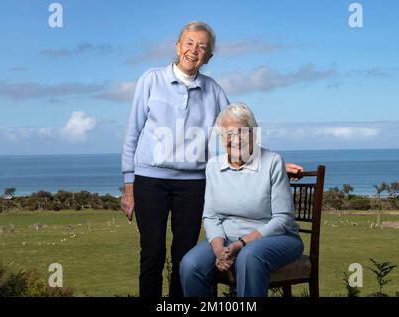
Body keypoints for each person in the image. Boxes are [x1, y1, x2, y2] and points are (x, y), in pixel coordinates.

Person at [121, 22, 303, 297]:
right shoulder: (151, 79)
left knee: (184, 257)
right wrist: (129, 185)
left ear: (209, 57)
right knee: (152, 254)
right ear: (177, 46)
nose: (194, 50)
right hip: (150, 180)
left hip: (194, 184)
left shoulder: (214, 90)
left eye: (202, 47)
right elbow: (132, 131)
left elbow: (239, 128)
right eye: (189, 43)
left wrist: (268, 160)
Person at [180, 103, 304, 297]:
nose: (236, 139)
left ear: (254, 134)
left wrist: (240, 245)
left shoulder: (273, 162)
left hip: (277, 237)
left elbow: (282, 220)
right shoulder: (213, 166)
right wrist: (220, 249)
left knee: (249, 257)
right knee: (190, 264)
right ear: (221, 138)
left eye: (242, 132)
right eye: (229, 134)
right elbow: (211, 217)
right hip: (227, 239)